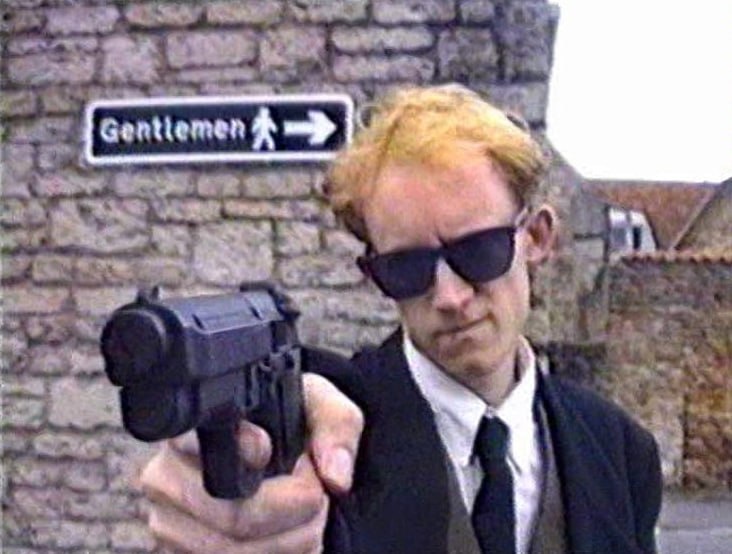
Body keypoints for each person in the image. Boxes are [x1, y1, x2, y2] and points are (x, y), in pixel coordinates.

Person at [139, 85, 662, 553]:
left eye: (477, 251)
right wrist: (229, 490)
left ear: (537, 238)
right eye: (407, 268)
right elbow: (295, 410)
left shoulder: (621, 451)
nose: (450, 296)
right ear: (374, 274)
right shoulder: (317, 443)